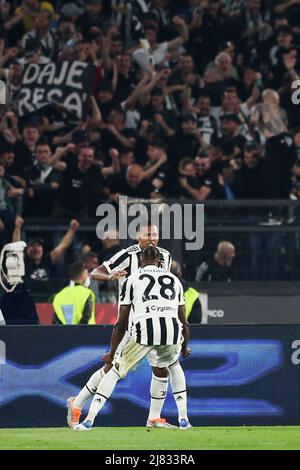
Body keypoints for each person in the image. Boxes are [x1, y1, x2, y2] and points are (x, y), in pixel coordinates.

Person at [66, 224, 189, 429]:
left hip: (153, 319)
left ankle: (154, 417)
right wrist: (110, 276)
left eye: (155, 234)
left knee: (161, 368)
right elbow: (96, 272)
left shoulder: (164, 256)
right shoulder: (127, 254)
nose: (152, 238)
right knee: (111, 366)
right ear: (137, 237)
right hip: (131, 321)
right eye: (147, 234)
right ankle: (77, 403)